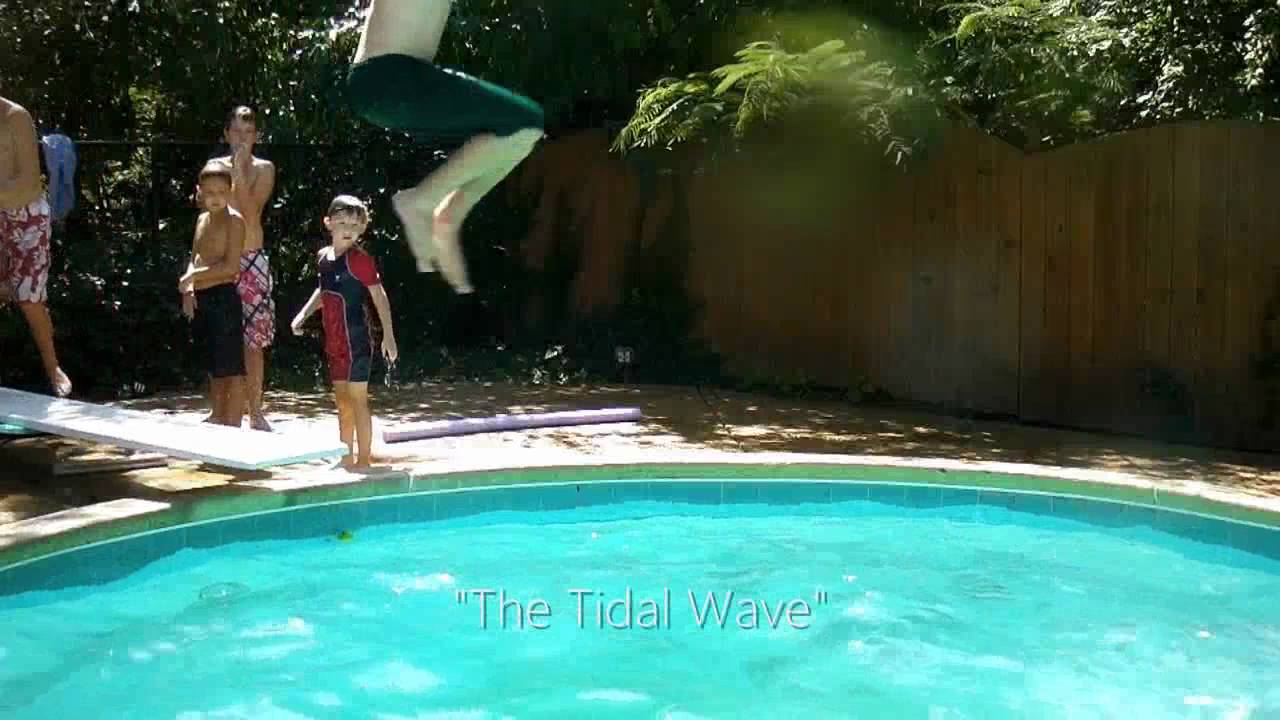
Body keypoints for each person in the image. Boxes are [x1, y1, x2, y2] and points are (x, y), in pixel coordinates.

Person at [345, 0, 545, 294]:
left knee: (519, 137)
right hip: (388, 77)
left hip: (397, 84)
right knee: (525, 123)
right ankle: (421, 201)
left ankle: (450, 215)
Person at [290, 195, 398, 468]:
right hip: (335, 342)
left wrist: (389, 335)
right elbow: (323, 291)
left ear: (362, 227)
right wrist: (303, 314)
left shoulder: (360, 261)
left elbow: (379, 295)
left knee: (358, 400)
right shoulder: (323, 259)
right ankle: (345, 455)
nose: (348, 229)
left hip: (357, 342)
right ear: (328, 223)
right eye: (342, 222)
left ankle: (364, 460)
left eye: (354, 223)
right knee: (341, 401)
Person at [0, 94, 72, 397]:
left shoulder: (16, 116)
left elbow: (29, 182)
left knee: (29, 297)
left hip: (26, 214)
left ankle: (52, 366)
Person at [212, 105, 277, 432]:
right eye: (236, 132)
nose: (241, 139)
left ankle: (256, 410)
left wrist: (238, 173)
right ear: (226, 135)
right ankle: (218, 410)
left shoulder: (264, 169)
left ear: (256, 137)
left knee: (254, 342)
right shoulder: (212, 168)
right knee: (221, 338)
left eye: (248, 133)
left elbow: (249, 214)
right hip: (221, 260)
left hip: (251, 257)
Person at [180, 162, 247, 428]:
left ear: (230, 191)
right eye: (209, 192)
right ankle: (217, 415)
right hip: (203, 298)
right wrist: (188, 288)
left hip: (224, 297)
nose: (216, 198)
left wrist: (194, 277)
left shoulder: (235, 221)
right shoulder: (201, 219)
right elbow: (194, 258)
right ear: (200, 193)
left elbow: (231, 267)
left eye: (221, 191)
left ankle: (233, 421)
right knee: (213, 364)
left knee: (232, 365)